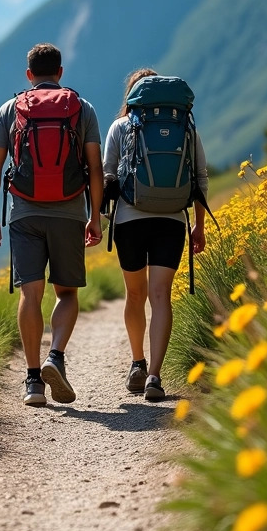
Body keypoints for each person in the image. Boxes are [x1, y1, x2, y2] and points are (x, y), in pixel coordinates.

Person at [0, 43, 104, 407]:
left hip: (24, 213)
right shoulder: (82, 109)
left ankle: (33, 382)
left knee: (30, 294)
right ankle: (56, 356)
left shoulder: (11, 109)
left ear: (29, 75)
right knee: (67, 293)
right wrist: (95, 216)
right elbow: (95, 168)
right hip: (69, 213)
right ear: (61, 72)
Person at [103, 68, 208, 402]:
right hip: (172, 221)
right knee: (161, 296)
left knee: (135, 295)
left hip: (130, 221)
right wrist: (199, 226)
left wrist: (101, 220)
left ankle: (137, 362)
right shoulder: (185, 127)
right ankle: (154, 377)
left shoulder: (121, 126)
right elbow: (200, 177)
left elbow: (107, 177)